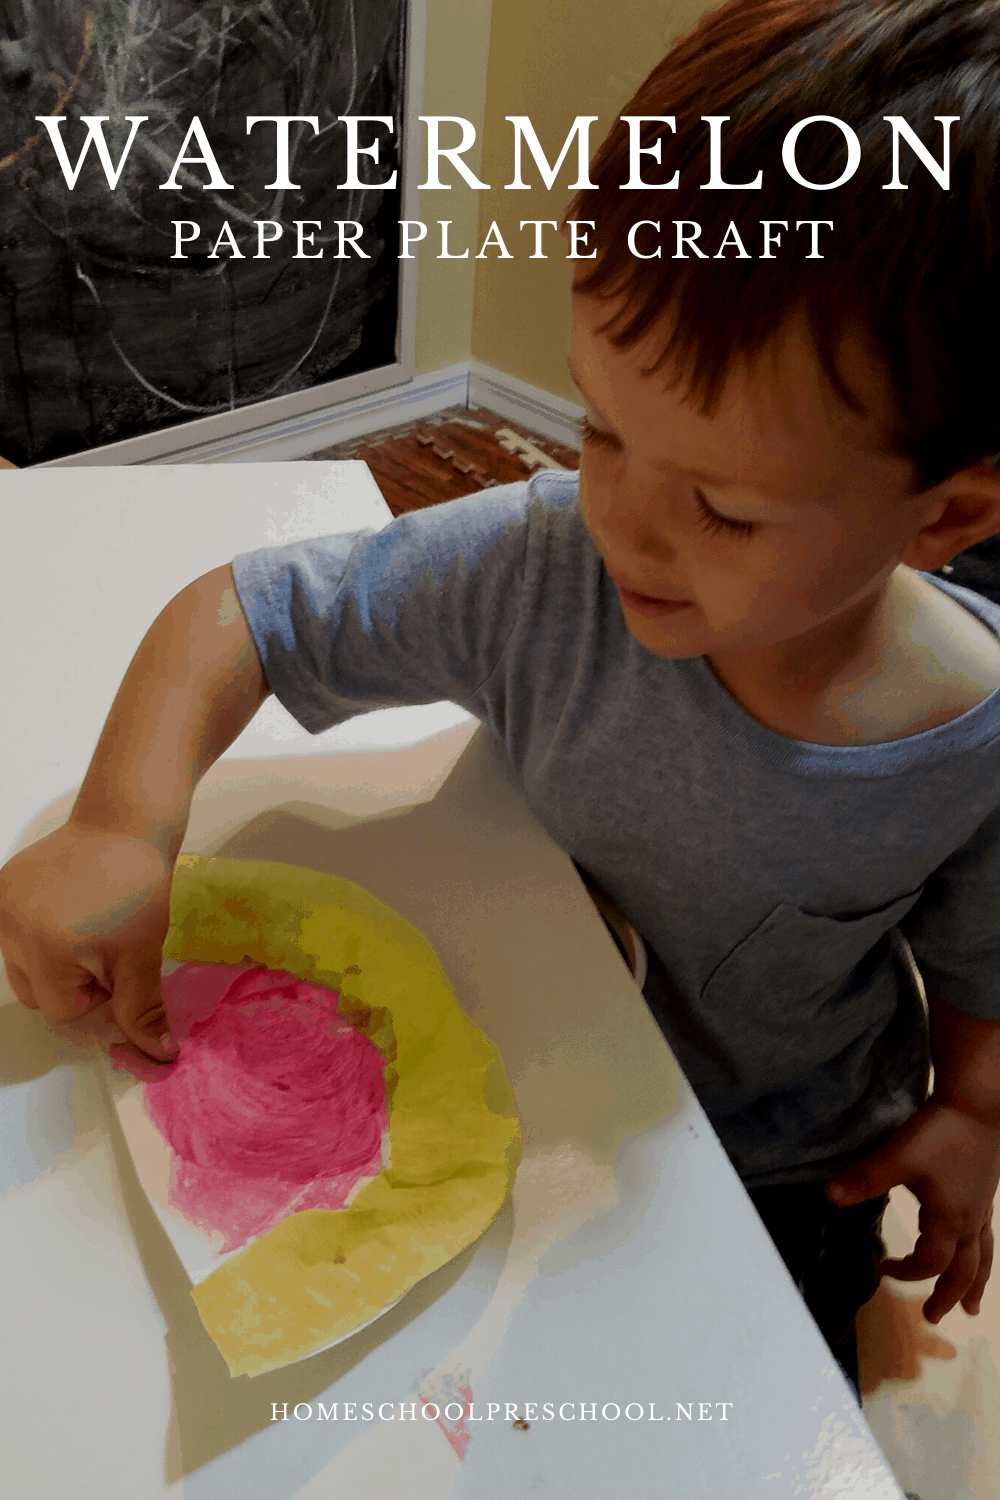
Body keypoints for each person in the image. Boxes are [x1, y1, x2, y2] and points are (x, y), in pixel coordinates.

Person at [3, 0, 1000, 1404]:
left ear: (944, 516)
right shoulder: (546, 570)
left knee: (746, 1387)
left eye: (720, 508)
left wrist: (972, 1115)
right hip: (510, 1052)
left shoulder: (976, 739)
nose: (621, 523)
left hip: (782, 1153)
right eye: (599, 425)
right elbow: (247, 615)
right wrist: (118, 825)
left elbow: (982, 965)